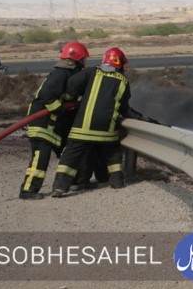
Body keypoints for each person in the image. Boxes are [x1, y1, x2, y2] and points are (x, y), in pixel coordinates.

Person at [51, 47, 132, 196]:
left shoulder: (90, 72)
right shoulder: (124, 81)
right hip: (107, 131)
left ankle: (60, 188)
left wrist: (69, 98)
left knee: (70, 157)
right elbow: (124, 107)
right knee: (113, 154)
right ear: (119, 63)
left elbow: (73, 84)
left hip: (83, 129)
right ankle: (117, 182)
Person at [19, 41, 89, 200]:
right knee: (40, 159)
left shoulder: (67, 74)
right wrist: (61, 109)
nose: (85, 63)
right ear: (77, 59)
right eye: (84, 59)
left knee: (68, 154)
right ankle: (27, 191)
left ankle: (73, 181)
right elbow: (47, 96)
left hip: (52, 127)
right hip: (42, 124)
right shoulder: (61, 74)